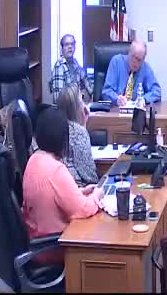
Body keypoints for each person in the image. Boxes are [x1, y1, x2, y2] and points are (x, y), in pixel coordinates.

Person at [22, 107, 103, 264]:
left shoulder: (33, 160)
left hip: (38, 242)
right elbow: (83, 209)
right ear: (63, 139)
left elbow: (50, 196)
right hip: (54, 248)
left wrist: (80, 192)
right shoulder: (55, 169)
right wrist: (97, 195)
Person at [57, 85, 98, 186]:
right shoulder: (78, 132)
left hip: (60, 184)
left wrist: (83, 124)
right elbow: (90, 176)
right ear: (77, 107)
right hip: (78, 188)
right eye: (81, 99)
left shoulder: (57, 126)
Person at [102, 39, 161, 106]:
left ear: (143, 59)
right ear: (129, 52)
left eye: (139, 60)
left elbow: (157, 91)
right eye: (133, 57)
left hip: (136, 110)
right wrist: (117, 99)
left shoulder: (145, 68)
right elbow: (106, 91)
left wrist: (144, 99)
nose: (135, 61)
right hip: (116, 109)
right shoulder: (116, 62)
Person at [49, 34, 93, 103]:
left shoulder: (75, 63)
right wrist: (80, 96)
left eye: (72, 44)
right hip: (66, 108)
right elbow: (58, 98)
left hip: (77, 104)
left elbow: (87, 83)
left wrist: (91, 94)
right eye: (67, 44)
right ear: (62, 48)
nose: (70, 47)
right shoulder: (59, 66)